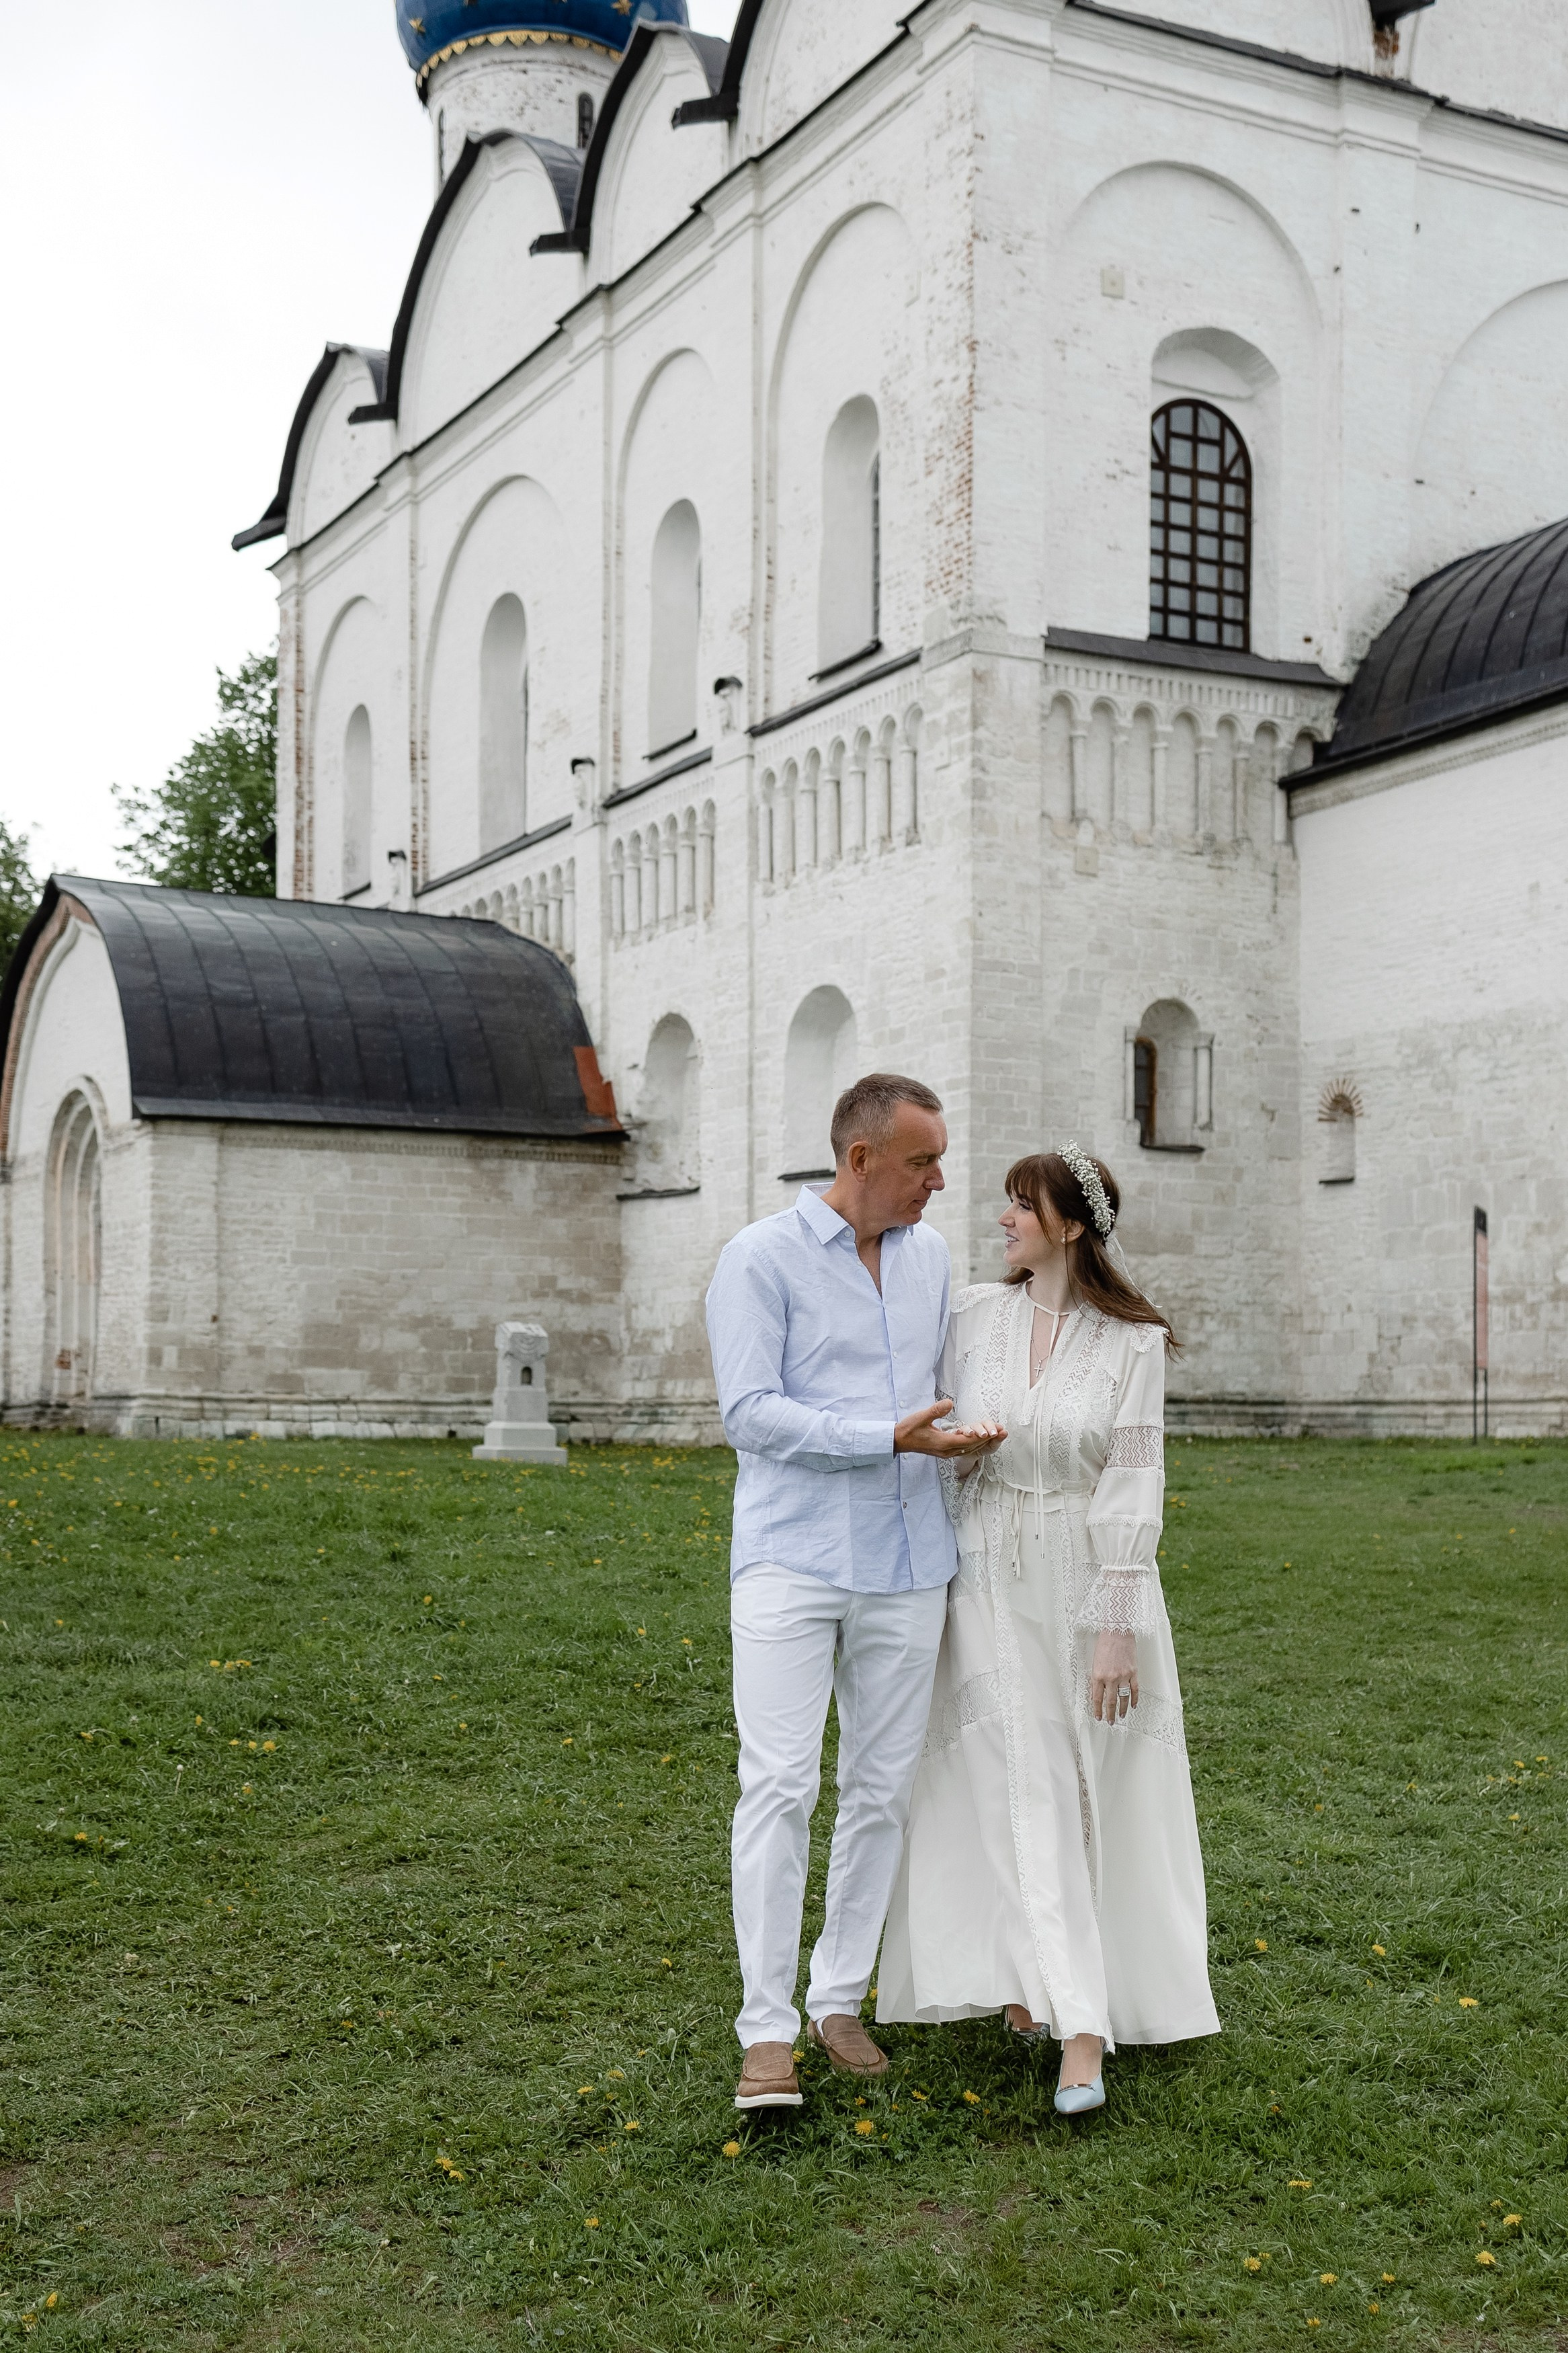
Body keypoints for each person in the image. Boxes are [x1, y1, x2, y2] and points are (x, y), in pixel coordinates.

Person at [877, 1144, 1219, 2114]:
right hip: (984, 1568)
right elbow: (941, 1437)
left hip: (1087, 1575)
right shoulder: (975, 1319)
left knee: (1086, 1782)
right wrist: (961, 1455)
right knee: (1010, 1777)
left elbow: (1133, 1483)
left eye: (1019, 1207)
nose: (1002, 1222)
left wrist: (1116, 1624)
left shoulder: (1132, 1343)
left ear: (1069, 1225)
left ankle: (1070, 1986)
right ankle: (1076, 2030)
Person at [705, 1074, 1005, 2113]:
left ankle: (838, 1997)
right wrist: (883, 1437)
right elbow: (749, 1413)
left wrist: (953, 1442)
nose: (937, 1181)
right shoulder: (758, 1257)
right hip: (790, 1562)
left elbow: (933, 1390)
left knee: (880, 1793)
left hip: (910, 1560)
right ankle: (766, 2030)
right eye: (922, 1162)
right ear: (860, 1157)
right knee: (779, 1788)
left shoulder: (929, 1260)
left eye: (940, 1161)